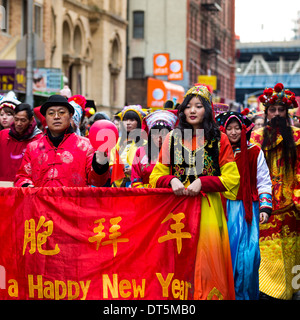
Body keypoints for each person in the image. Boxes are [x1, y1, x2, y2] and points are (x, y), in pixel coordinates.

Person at [149, 84, 240, 300]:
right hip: (177, 210)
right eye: (188, 106)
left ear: (207, 110)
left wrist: (204, 182)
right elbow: (155, 176)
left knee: (207, 261)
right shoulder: (172, 139)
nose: (192, 110)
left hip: (209, 210)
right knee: (179, 260)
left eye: (198, 106)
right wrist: (170, 180)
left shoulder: (220, 139)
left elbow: (232, 179)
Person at [216, 110, 272, 300]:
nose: (233, 133)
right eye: (229, 129)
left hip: (248, 210)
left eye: (237, 128)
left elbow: (264, 180)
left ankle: (245, 295)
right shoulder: (216, 152)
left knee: (249, 257)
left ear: (243, 129)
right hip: (221, 209)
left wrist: (265, 207)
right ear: (223, 130)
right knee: (224, 255)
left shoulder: (254, 151)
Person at [251, 83, 300, 300]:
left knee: (292, 259)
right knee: (267, 262)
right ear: (266, 112)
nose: (277, 114)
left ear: (287, 112)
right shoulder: (257, 138)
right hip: (265, 210)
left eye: (281, 110)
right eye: (273, 110)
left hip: (293, 212)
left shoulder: (298, 137)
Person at [14, 95, 110, 188]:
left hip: (74, 203)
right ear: (45, 118)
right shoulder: (33, 147)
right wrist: (27, 186)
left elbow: (97, 181)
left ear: (70, 115)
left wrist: (100, 164)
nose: (56, 117)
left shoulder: (86, 146)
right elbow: (22, 177)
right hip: (41, 203)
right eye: (51, 113)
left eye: (61, 112)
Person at [131, 110, 178, 188]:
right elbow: (136, 179)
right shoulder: (141, 151)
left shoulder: (177, 152)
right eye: (155, 134)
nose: (159, 139)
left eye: (163, 134)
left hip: (168, 196)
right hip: (145, 195)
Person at [0, 103, 43, 182]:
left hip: (25, 189)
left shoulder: (40, 140)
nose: (18, 123)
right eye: (16, 119)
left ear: (31, 120)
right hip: (3, 187)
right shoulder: (3, 135)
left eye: (23, 120)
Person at [109, 105, 146, 187]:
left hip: (137, 185)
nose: (128, 123)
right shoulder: (116, 142)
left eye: (132, 120)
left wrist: (134, 171)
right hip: (118, 186)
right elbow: (111, 163)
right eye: (125, 120)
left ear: (138, 122)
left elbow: (147, 167)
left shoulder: (145, 143)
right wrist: (117, 169)